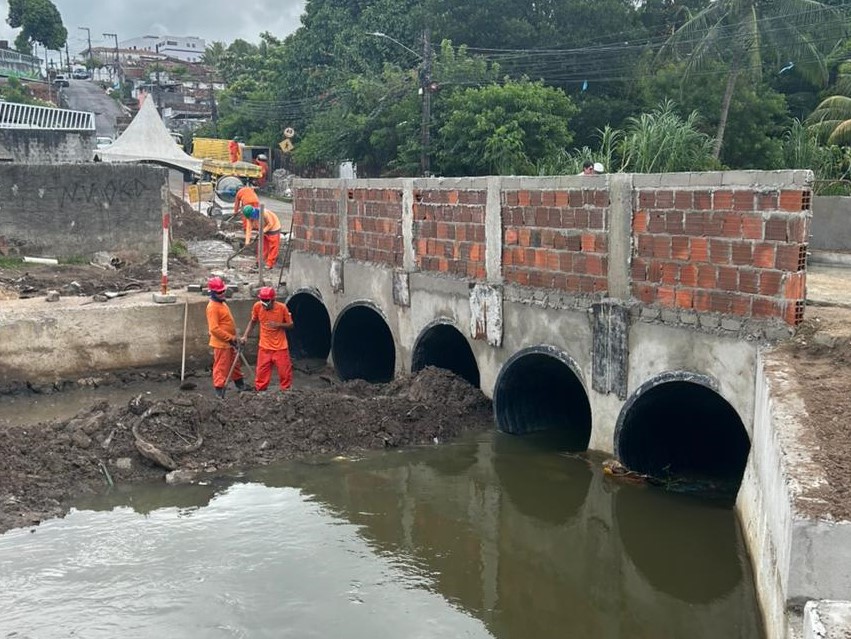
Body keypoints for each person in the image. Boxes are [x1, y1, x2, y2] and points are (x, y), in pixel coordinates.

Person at [241, 286, 294, 392]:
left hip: (280, 347)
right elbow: (253, 321)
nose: (264, 304)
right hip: (264, 347)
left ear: (273, 300)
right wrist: (245, 335)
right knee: (261, 373)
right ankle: (260, 391)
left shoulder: (282, 308)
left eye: (266, 301)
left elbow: (291, 325)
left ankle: (286, 392)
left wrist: (278, 325)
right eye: (262, 300)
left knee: (285, 373)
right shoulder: (257, 306)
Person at [205, 276, 249, 398]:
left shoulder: (221, 303)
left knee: (235, 364)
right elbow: (214, 329)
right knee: (221, 367)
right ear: (213, 293)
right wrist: (231, 338)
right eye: (219, 292)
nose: (222, 293)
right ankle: (219, 390)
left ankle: (240, 385)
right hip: (222, 343)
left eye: (223, 291)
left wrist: (233, 339)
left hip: (230, 342)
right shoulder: (213, 307)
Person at [243, 204, 282, 269]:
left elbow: (271, 224)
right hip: (263, 228)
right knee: (262, 246)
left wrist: (262, 231)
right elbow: (249, 228)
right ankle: (259, 262)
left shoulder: (264, 213)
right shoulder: (249, 217)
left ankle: (269, 264)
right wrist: (247, 241)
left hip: (274, 227)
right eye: (250, 218)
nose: (251, 219)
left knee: (273, 247)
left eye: (251, 217)